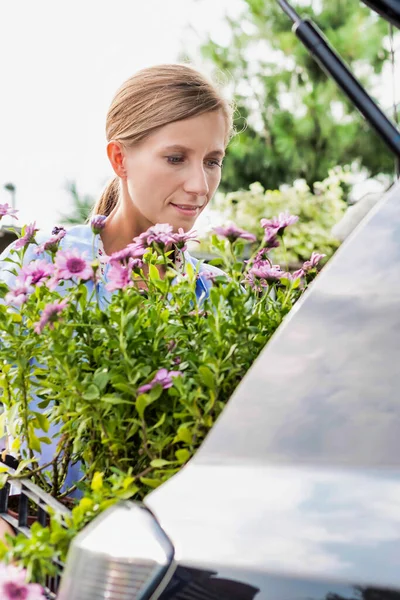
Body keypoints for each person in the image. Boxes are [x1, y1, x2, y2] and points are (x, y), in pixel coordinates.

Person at [0, 64, 234, 533]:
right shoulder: (37, 265)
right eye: (175, 158)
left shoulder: (214, 294)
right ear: (120, 159)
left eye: (212, 160)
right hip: (35, 547)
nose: (199, 185)